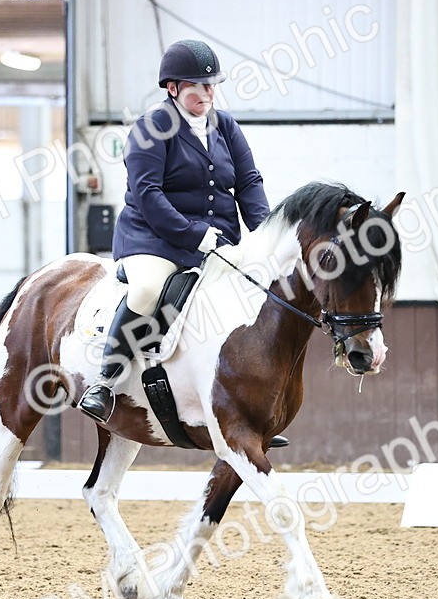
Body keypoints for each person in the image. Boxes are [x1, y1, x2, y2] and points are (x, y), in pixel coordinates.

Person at [77, 39, 288, 447]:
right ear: (172, 88)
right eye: (198, 86)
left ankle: (245, 408)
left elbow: (248, 182)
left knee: (247, 302)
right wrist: (195, 234)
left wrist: (263, 236)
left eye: (212, 86)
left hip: (217, 243)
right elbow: (148, 194)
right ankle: (105, 381)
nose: (208, 94)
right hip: (155, 240)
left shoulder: (224, 125)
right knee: (147, 291)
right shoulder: (151, 127)